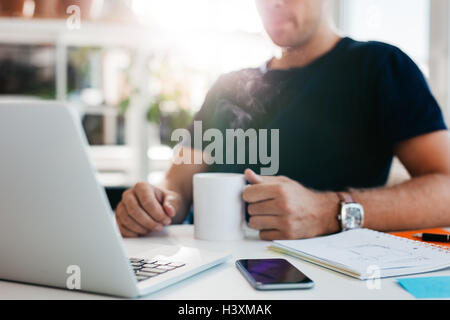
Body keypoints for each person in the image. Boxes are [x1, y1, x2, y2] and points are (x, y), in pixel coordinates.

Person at [115, 0, 450, 240]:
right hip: (208, 277)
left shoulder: (380, 67)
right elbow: (178, 182)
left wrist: (328, 211)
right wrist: (154, 203)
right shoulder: (227, 87)